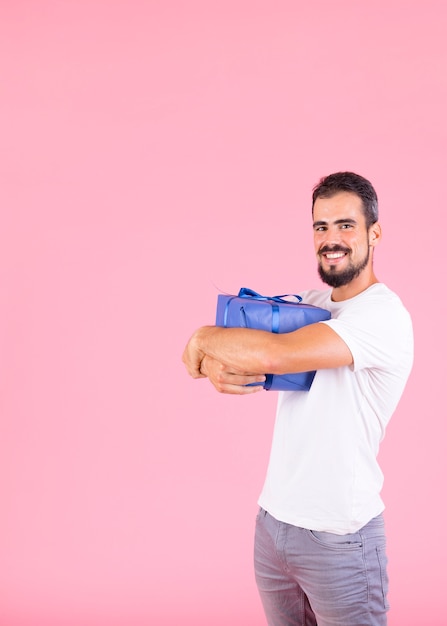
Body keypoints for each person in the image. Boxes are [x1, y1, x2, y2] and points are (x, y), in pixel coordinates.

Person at [182, 172, 413, 626]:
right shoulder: (310, 305)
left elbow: (273, 353)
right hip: (273, 525)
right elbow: (228, 364)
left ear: (375, 233)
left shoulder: (383, 316)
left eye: (345, 225)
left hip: (340, 536)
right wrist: (212, 361)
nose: (331, 239)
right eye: (320, 227)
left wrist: (204, 337)